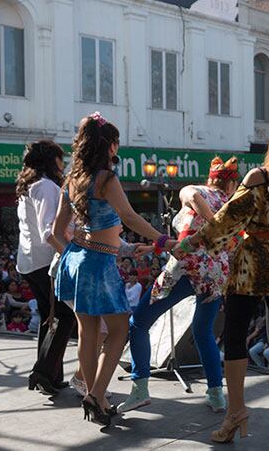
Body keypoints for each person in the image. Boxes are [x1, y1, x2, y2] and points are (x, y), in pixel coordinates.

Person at [174, 116, 269, 444]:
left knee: (235, 337)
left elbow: (226, 221)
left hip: (254, 264)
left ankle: (235, 412)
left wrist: (189, 243)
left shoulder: (259, 178)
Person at [54, 112, 174, 426]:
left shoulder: (72, 179)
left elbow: (56, 232)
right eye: (116, 141)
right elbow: (130, 217)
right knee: (120, 331)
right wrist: (162, 239)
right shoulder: (106, 178)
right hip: (96, 265)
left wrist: (114, 248)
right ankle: (96, 395)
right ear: (109, 145)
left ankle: (97, 397)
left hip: (77, 260)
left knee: (88, 335)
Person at [119, 156, 239, 414]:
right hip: (214, 276)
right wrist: (218, 225)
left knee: (139, 322)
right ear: (231, 184)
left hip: (185, 269)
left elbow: (194, 199)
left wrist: (212, 223)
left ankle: (140, 389)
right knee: (203, 331)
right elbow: (194, 238)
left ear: (210, 178)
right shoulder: (230, 204)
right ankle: (216, 394)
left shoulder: (194, 189)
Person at [15, 140, 76, 395]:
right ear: (51, 161)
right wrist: (70, 254)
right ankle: (43, 371)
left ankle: (51, 374)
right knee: (64, 316)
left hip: (29, 261)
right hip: (45, 261)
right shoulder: (46, 186)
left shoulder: (29, 186)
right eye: (61, 158)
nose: (64, 163)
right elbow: (49, 230)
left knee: (50, 318)